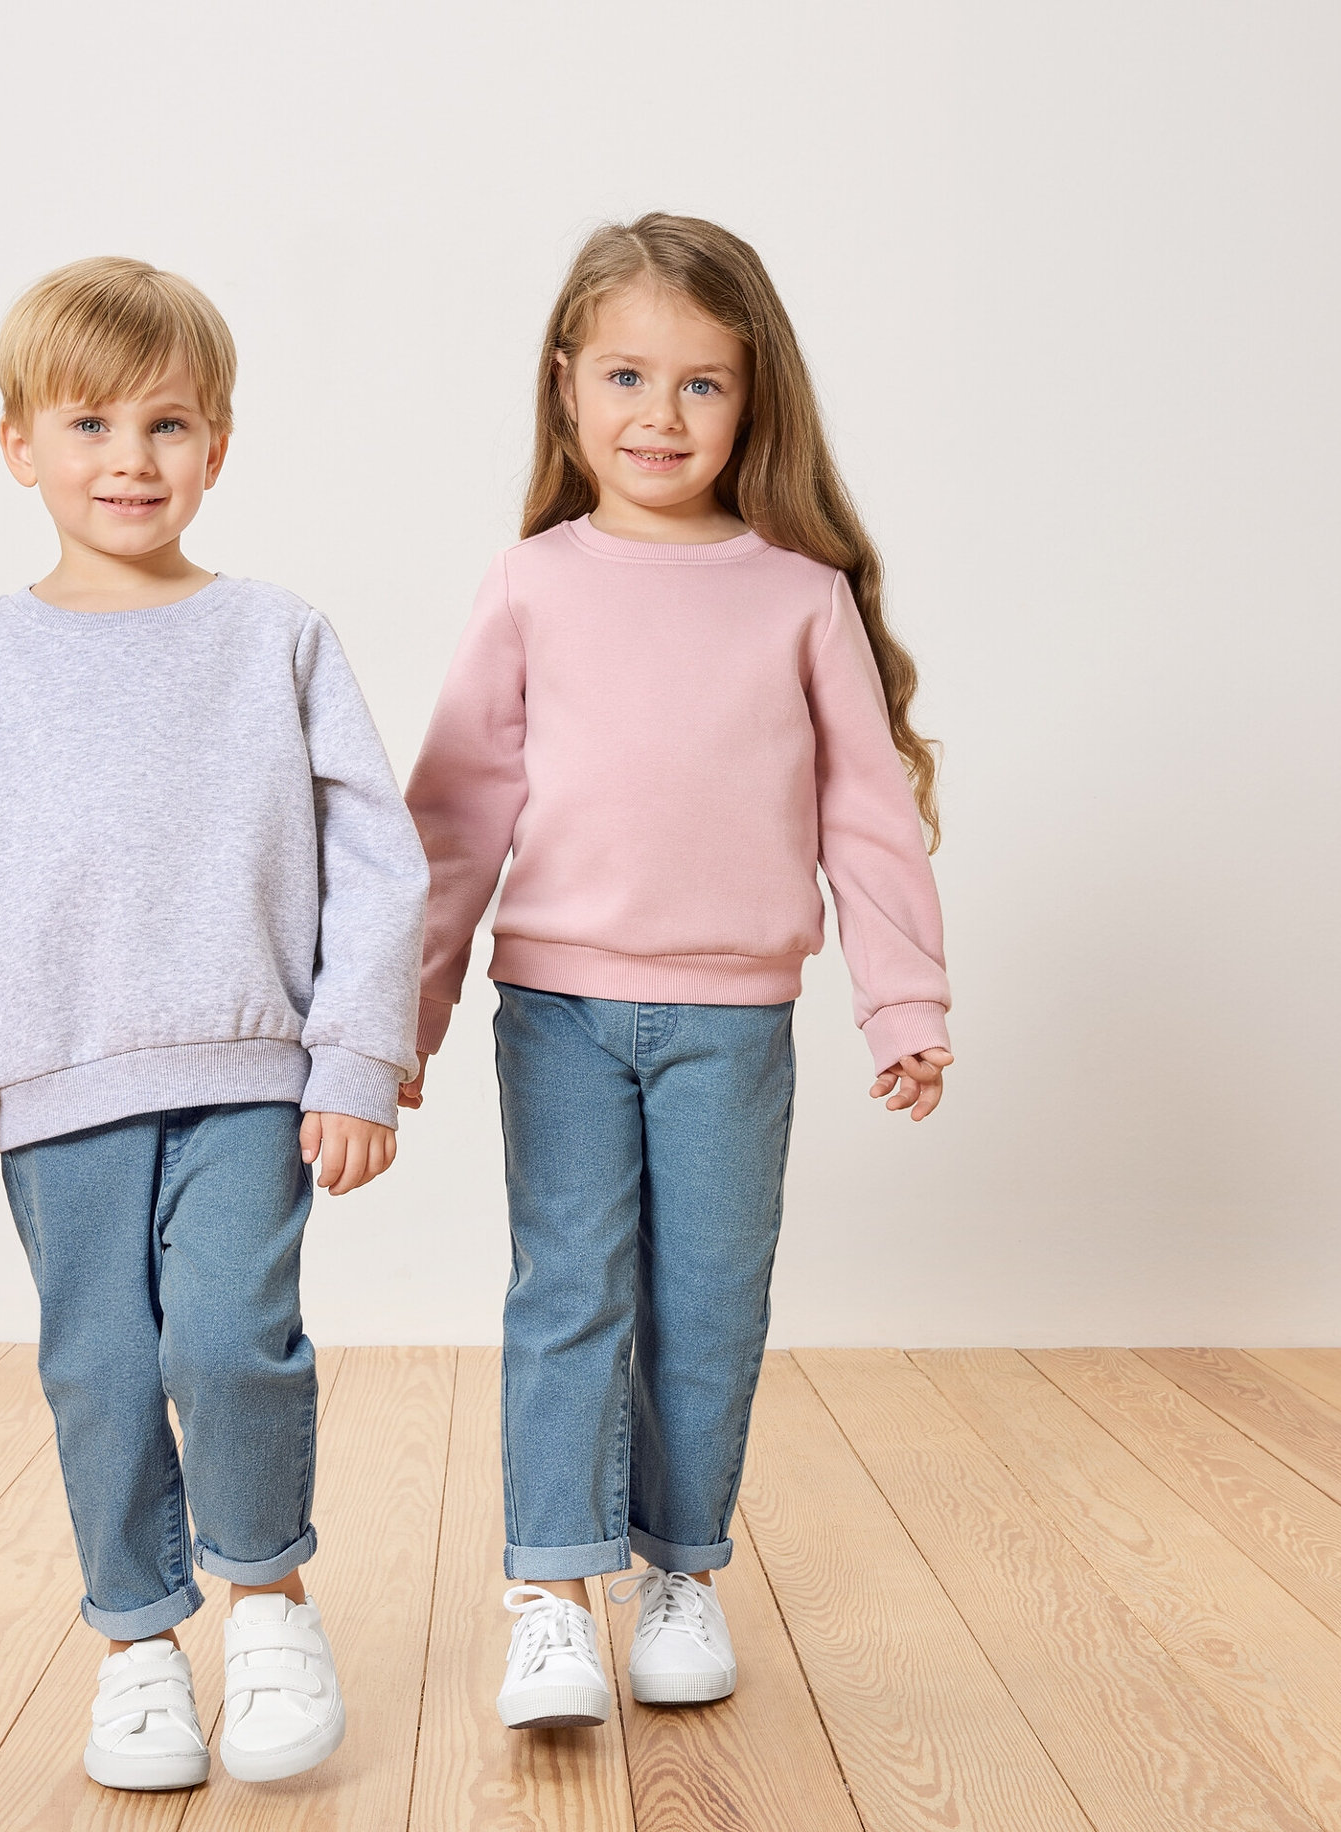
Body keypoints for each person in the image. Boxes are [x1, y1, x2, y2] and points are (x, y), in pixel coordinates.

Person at [0, 258, 427, 1789]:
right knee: (101, 1372)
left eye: (167, 424)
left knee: (233, 1342)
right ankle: (135, 1644)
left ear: (217, 446)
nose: (130, 458)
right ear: (18, 445)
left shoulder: (276, 635)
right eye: (89, 422)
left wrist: (356, 1055)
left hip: (250, 1075)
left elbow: (378, 858)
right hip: (56, 1094)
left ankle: (270, 1603)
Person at [403, 214, 954, 1729]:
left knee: (708, 1302)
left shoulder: (797, 593)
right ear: (566, 383)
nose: (660, 414)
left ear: (752, 396)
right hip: (560, 1014)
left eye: (701, 383)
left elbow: (865, 814)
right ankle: (550, 1595)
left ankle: (679, 1570)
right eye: (628, 376)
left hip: (734, 1026)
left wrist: (902, 1000)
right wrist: (411, 1012)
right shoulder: (529, 583)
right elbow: (454, 818)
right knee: (568, 1291)